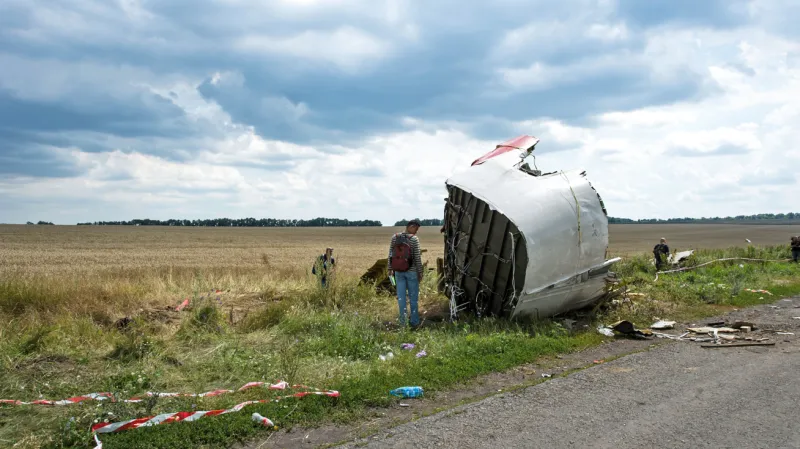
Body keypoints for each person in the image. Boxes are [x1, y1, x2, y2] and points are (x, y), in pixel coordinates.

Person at [388, 219, 424, 328]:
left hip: (398, 272)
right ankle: (414, 322)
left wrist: (390, 268)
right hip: (412, 272)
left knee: (401, 298)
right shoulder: (414, 239)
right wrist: (420, 272)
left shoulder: (395, 237)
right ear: (411, 226)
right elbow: (417, 257)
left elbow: (390, 254)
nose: (416, 232)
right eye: (416, 229)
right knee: (413, 299)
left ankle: (402, 323)